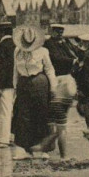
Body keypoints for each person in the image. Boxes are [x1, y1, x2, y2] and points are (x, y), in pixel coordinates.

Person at [11, 25, 58, 160]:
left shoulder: (43, 51)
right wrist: (15, 87)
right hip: (23, 83)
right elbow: (15, 70)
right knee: (23, 116)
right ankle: (25, 149)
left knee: (41, 114)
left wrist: (53, 87)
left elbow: (49, 69)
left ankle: (44, 149)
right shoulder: (17, 51)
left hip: (39, 82)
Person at [43, 23, 79, 159]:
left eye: (61, 31)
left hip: (65, 80)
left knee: (56, 117)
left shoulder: (64, 43)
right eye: (57, 31)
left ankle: (55, 152)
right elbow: (56, 59)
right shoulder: (48, 44)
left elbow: (75, 53)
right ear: (51, 31)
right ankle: (54, 151)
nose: (60, 33)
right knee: (54, 118)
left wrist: (75, 57)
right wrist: (73, 61)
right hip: (55, 80)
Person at [0, 22, 16, 151]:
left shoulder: (1, 48)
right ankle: (13, 136)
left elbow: (1, 69)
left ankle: (4, 139)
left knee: (5, 112)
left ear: (1, 32)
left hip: (6, 85)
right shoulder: (17, 46)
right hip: (18, 84)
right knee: (14, 111)